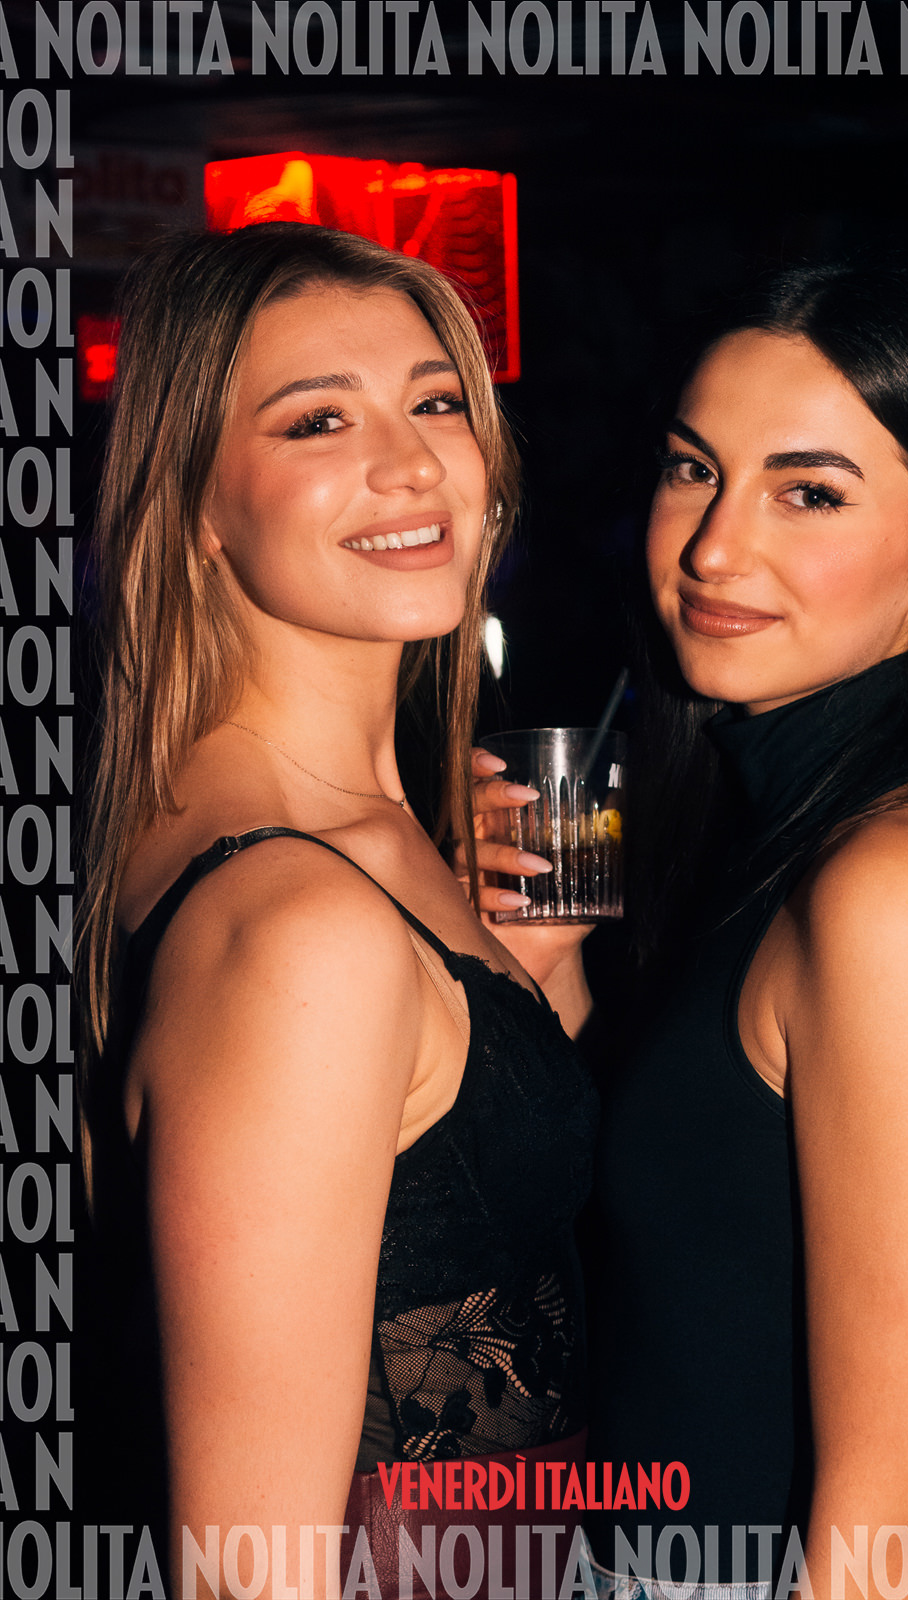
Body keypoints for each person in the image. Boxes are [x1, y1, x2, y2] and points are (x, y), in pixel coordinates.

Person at [472, 264, 908, 1600]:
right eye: (694, 470)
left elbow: (894, 1543)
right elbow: (700, 1232)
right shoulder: (772, 823)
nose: (712, 548)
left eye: (809, 493)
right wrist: (549, 970)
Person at [78, 220, 598, 1600]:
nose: (412, 462)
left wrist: (530, 982)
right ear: (197, 503)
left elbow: (450, 1228)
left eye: (437, 402)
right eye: (318, 419)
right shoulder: (301, 926)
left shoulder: (362, 842)